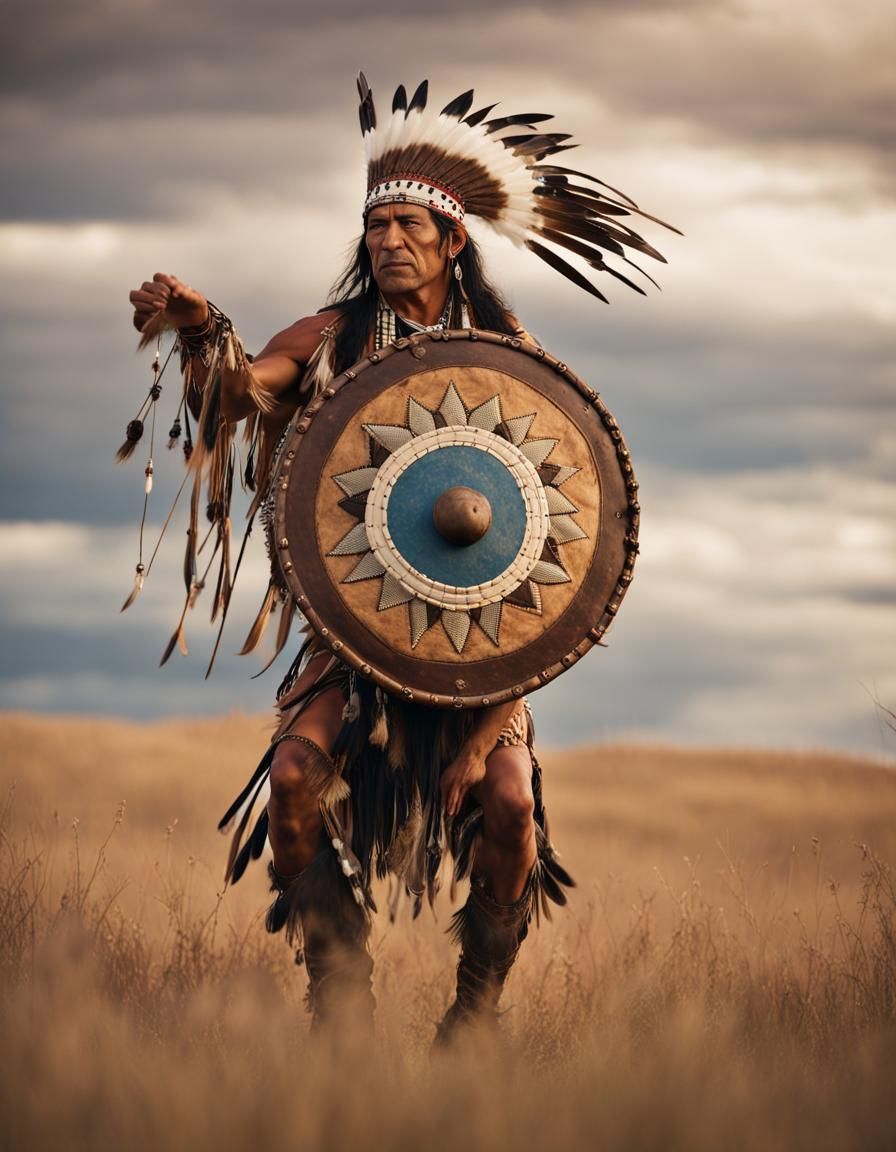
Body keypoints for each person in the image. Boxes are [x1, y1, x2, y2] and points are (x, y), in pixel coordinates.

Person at [125, 76, 672, 1038]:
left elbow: (554, 554)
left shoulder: (510, 360)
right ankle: (338, 986)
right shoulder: (333, 339)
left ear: (453, 241)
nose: (386, 242)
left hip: (478, 664)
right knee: (293, 780)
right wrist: (202, 328)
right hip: (353, 646)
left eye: (408, 225)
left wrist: (481, 728)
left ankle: (476, 1014)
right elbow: (245, 395)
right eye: (374, 227)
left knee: (509, 805)